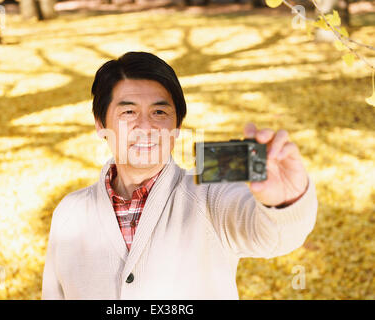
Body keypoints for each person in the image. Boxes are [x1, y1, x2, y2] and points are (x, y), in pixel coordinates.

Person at [41, 51, 317, 300]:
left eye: (159, 112)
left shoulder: (211, 198)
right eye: (128, 112)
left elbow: (273, 236)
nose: (146, 126)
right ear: (101, 124)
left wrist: (284, 202)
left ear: (178, 126)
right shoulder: (69, 213)